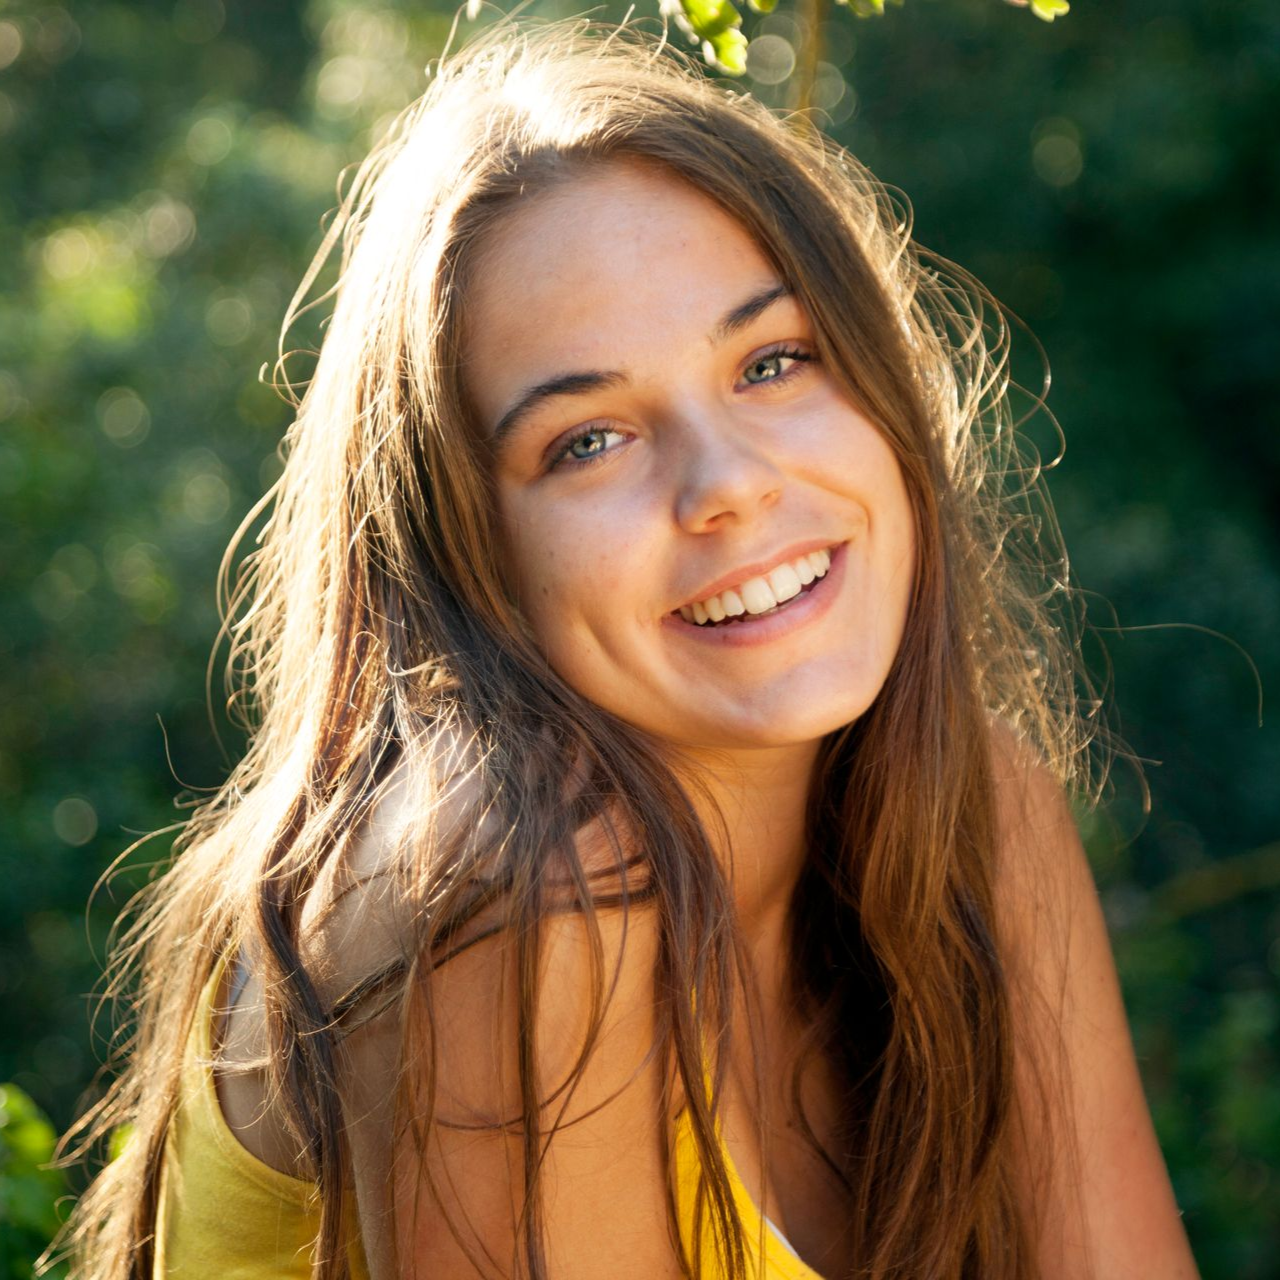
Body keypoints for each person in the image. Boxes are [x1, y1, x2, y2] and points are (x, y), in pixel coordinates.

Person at [57, 18, 1200, 1280]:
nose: (728, 487)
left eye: (772, 362)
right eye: (587, 439)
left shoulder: (977, 821)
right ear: (459, 551)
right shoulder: (515, 886)